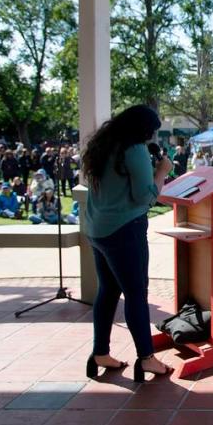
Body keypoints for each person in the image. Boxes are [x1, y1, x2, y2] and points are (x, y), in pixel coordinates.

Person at [80, 104, 172, 382]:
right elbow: (145, 197)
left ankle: (100, 353)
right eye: (150, 132)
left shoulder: (103, 145)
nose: (151, 138)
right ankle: (146, 358)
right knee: (135, 293)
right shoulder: (134, 150)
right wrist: (163, 171)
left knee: (107, 290)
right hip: (125, 230)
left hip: (97, 228)